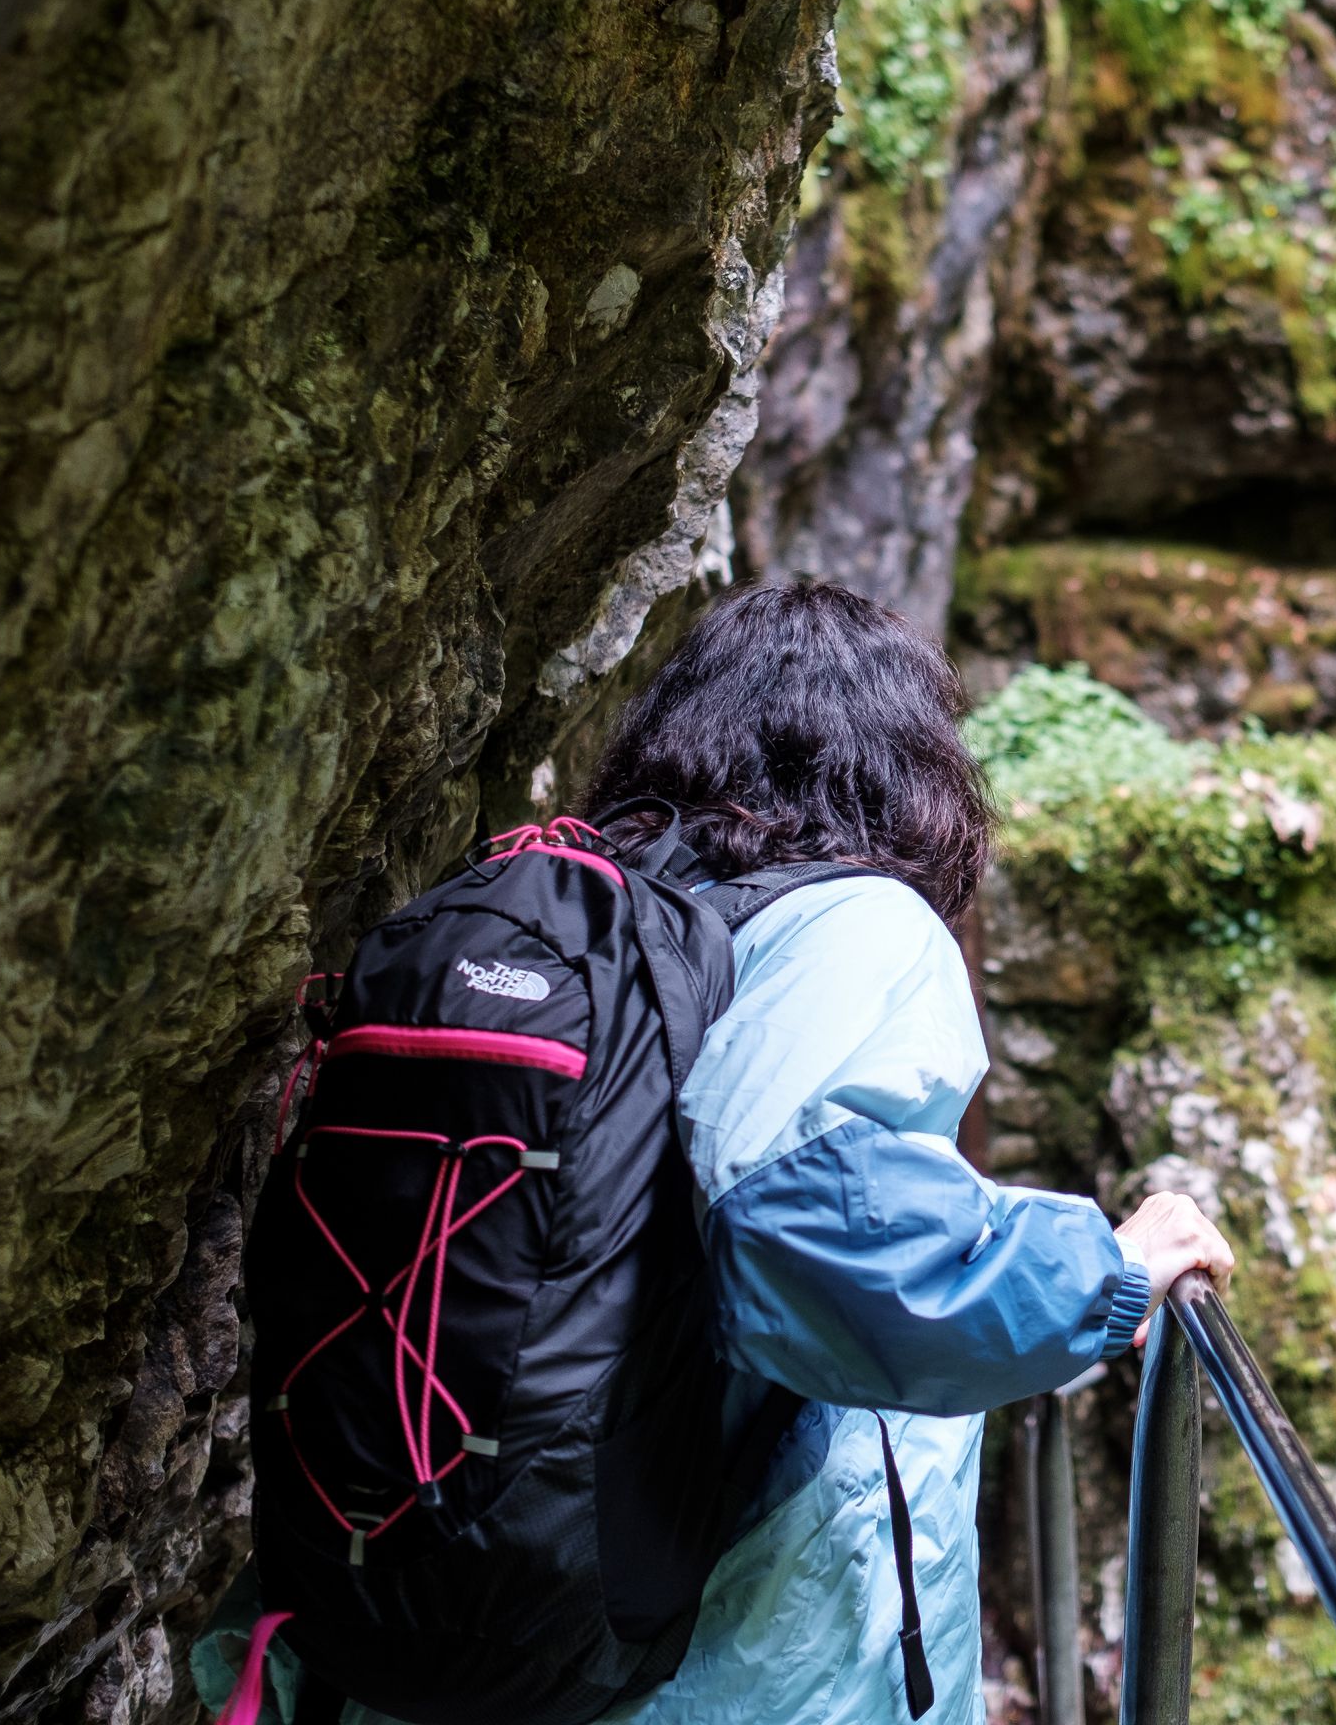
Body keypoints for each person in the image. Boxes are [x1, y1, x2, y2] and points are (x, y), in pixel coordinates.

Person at [197, 579, 1235, 1725]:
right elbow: (824, 1233)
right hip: (724, 1659)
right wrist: (1108, 1265)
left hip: (447, 1601)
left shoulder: (595, 914)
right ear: (914, 771)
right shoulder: (856, 926)